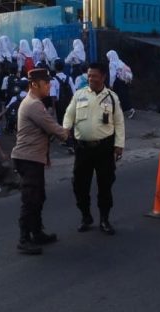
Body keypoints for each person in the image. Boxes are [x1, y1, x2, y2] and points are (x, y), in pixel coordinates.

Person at [63, 62, 126, 235]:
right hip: (83, 150)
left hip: (104, 149)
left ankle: (104, 219)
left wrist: (119, 145)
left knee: (105, 185)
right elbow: (69, 114)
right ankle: (86, 216)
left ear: (103, 76)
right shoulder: (79, 95)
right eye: (89, 75)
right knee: (79, 184)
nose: (90, 78)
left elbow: (119, 123)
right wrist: (65, 129)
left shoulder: (112, 97)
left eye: (94, 76)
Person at [11, 69, 69, 255]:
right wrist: (68, 130)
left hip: (33, 158)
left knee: (38, 196)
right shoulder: (34, 105)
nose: (49, 87)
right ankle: (24, 238)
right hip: (28, 158)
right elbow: (54, 129)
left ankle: (36, 232)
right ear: (35, 84)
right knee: (30, 199)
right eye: (46, 84)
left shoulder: (34, 103)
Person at [107, 50, 136, 119]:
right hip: (124, 81)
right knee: (124, 95)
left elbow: (112, 75)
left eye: (108, 57)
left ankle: (129, 110)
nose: (108, 58)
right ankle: (124, 110)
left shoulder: (112, 63)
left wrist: (111, 84)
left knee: (117, 96)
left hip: (118, 82)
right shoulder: (120, 62)